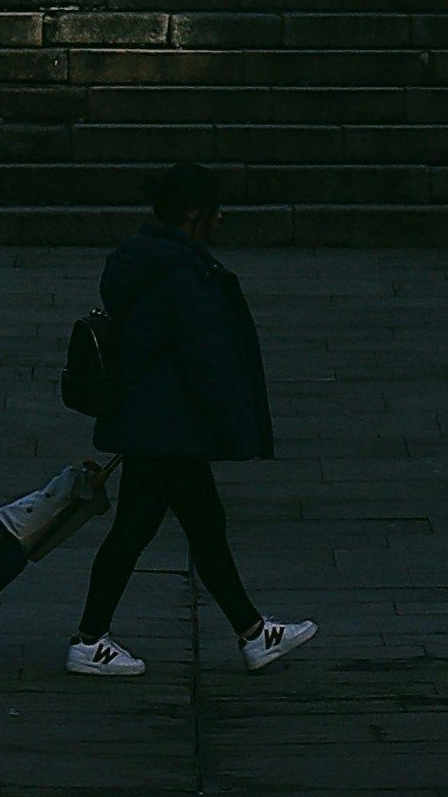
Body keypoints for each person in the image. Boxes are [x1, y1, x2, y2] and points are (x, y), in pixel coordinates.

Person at [69, 156, 314, 675]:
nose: (222, 220)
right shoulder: (187, 275)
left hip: (154, 424)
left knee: (195, 527)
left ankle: (252, 633)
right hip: (167, 429)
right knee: (155, 530)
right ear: (195, 215)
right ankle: (90, 640)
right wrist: (238, 428)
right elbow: (211, 361)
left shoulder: (144, 262)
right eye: (216, 211)